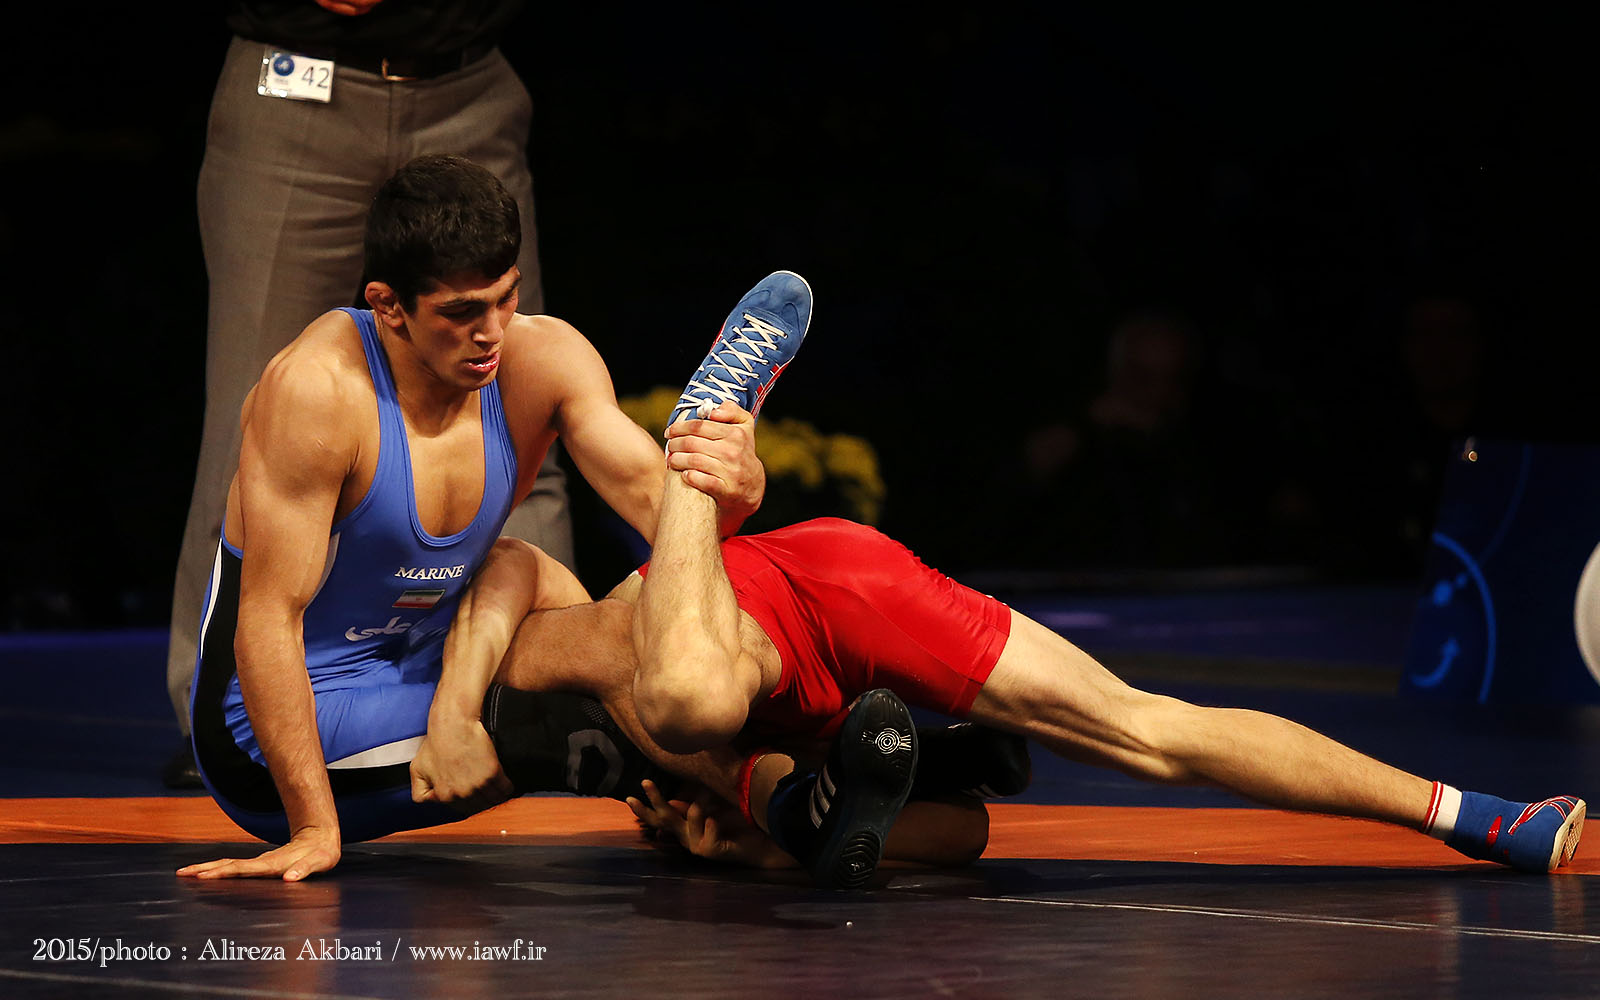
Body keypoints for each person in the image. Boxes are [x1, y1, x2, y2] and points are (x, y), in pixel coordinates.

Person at [432, 277, 1586, 878]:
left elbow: (516, 562)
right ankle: (1486, 819)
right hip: (798, 693)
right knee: (1000, 808)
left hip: (789, 604)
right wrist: (741, 842)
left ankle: (702, 431)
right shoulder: (654, 780)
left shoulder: (540, 656)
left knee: (684, 701)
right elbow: (929, 839)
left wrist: (448, 710)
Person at [174, 154, 773, 883]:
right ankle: (797, 807)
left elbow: (680, 534)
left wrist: (735, 490)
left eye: (505, 299)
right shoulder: (317, 392)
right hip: (279, 736)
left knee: (638, 636)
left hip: (432, 658)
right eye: (461, 313)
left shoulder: (545, 360)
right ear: (389, 305)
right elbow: (269, 620)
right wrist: (313, 828)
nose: (491, 333)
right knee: (594, 714)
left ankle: (827, 787)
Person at [164, 0, 572, 787]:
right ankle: (226, 723)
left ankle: (534, 700)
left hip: (467, 84)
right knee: (257, 424)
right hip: (295, 88)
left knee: (512, 412)